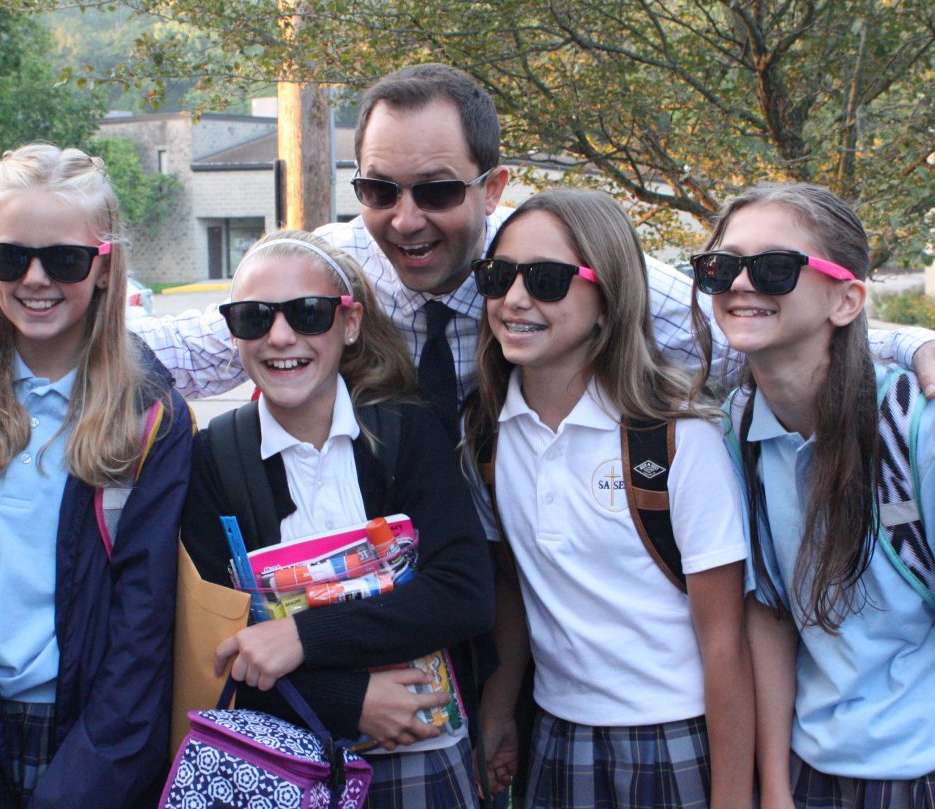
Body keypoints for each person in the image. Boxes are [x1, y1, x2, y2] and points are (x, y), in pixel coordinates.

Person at [130, 63, 935, 405]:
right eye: (379, 189)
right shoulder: (336, 276)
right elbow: (178, 352)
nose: (404, 219)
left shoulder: (557, 266)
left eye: (438, 191)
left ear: (495, 187)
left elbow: (735, 325)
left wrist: (911, 349)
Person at [0, 144, 192, 808]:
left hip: (91, 742)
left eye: (64, 259)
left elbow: (144, 625)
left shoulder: (150, 414)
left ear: (103, 267)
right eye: (9, 256)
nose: (35, 278)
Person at [180, 230, 495, 808]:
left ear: (348, 325)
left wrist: (301, 635)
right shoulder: (214, 460)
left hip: (422, 764)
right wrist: (350, 698)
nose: (280, 337)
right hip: (282, 769)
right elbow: (213, 647)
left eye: (308, 314)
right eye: (253, 317)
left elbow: (464, 592)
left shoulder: (408, 433)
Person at [463, 189, 754, 809]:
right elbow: (516, 588)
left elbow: (727, 640)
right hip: (555, 736)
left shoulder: (676, 435)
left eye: (547, 280)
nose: (515, 299)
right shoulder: (486, 434)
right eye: (498, 275)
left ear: (609, 298)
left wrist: (731, 796)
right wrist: (497, 713)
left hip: (677, 738)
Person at [690, 183, 935, 809]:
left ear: (847, 299)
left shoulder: (915, 427)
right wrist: (774, 786)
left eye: (774, 267)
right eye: (720, 267)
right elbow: (770, 613)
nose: (741, 285)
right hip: (810, 770)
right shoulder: (736, 427)